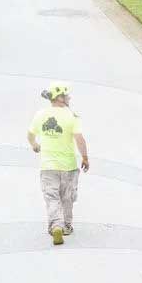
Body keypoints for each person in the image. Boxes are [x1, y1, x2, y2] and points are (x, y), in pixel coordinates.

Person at [27, 82, 89, 245]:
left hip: (48, 167)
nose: (69, 97)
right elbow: (79, 140)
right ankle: (67, 226)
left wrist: (35, 145)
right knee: (66, 197)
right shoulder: (72, 116)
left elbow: (30, 134)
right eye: (67, 95)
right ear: (60, 98)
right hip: (68, 166)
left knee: (52, 197)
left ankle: (56, 226)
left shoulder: (40, 115)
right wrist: (85, 157)